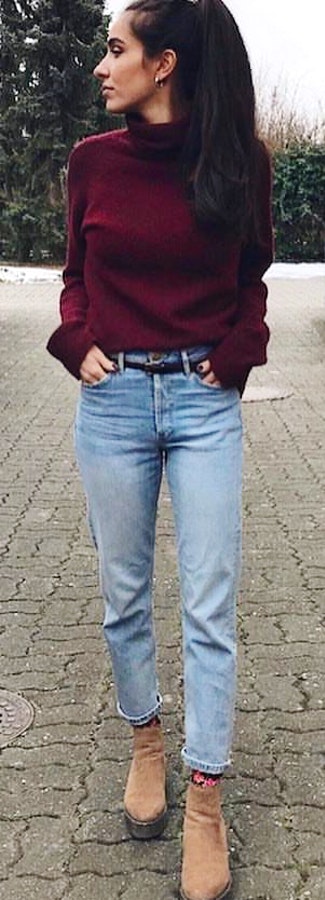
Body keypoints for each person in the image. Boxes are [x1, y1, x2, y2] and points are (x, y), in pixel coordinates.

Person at [47, 0, 273, 897]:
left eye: (115, 49)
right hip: (111, 405)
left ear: (166, 63)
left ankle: (208, 798)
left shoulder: (237, 162)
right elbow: (73, 279)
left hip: (203, 401)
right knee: (123, 594)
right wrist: (73, 342)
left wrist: (236, 353)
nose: (101, 67)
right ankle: (147, 746)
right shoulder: (90, 164)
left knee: (210, 604)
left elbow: (251, 277)